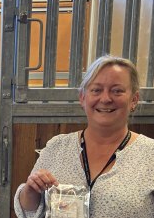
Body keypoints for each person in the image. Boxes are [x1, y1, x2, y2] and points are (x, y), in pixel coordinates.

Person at [14, 55, 154, 217]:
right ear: (83, 98)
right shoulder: (57, 147)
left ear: (134, 100)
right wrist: (30, 191)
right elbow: (27, 213)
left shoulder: (150, 154)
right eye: (96, 90)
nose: (106, 98)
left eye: (117, 91)